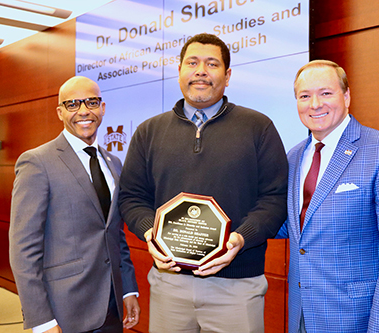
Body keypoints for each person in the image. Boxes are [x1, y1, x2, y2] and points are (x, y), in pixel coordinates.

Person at [118, 33, 288, 332]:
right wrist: (150, 235)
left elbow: (275, 198)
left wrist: (240, 239)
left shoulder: (258, 127)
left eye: (212, 64)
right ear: (180, 70)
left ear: (227, 75)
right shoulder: (148, 132)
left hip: (237, 285)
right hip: (168, 284)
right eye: (192, 62)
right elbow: (131, 198)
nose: (201, 71)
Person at [276, 60, 379, 332]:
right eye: (305, 96)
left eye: (326, 93)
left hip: (358, 319)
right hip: (302, 315)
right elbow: (294, 224)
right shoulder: (295, 156)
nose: (315, 104)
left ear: (346, 96)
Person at [9, 76, 140, 333]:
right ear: (60, 112)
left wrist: (128, 289)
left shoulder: (113, 162)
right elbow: (23, 249)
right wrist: (41, 320)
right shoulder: (37, 162)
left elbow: (114, 234)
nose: (83, 111)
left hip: (111, 307)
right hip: (64, 309)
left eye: (91, 102)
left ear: (102, 108)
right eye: (72, 104)